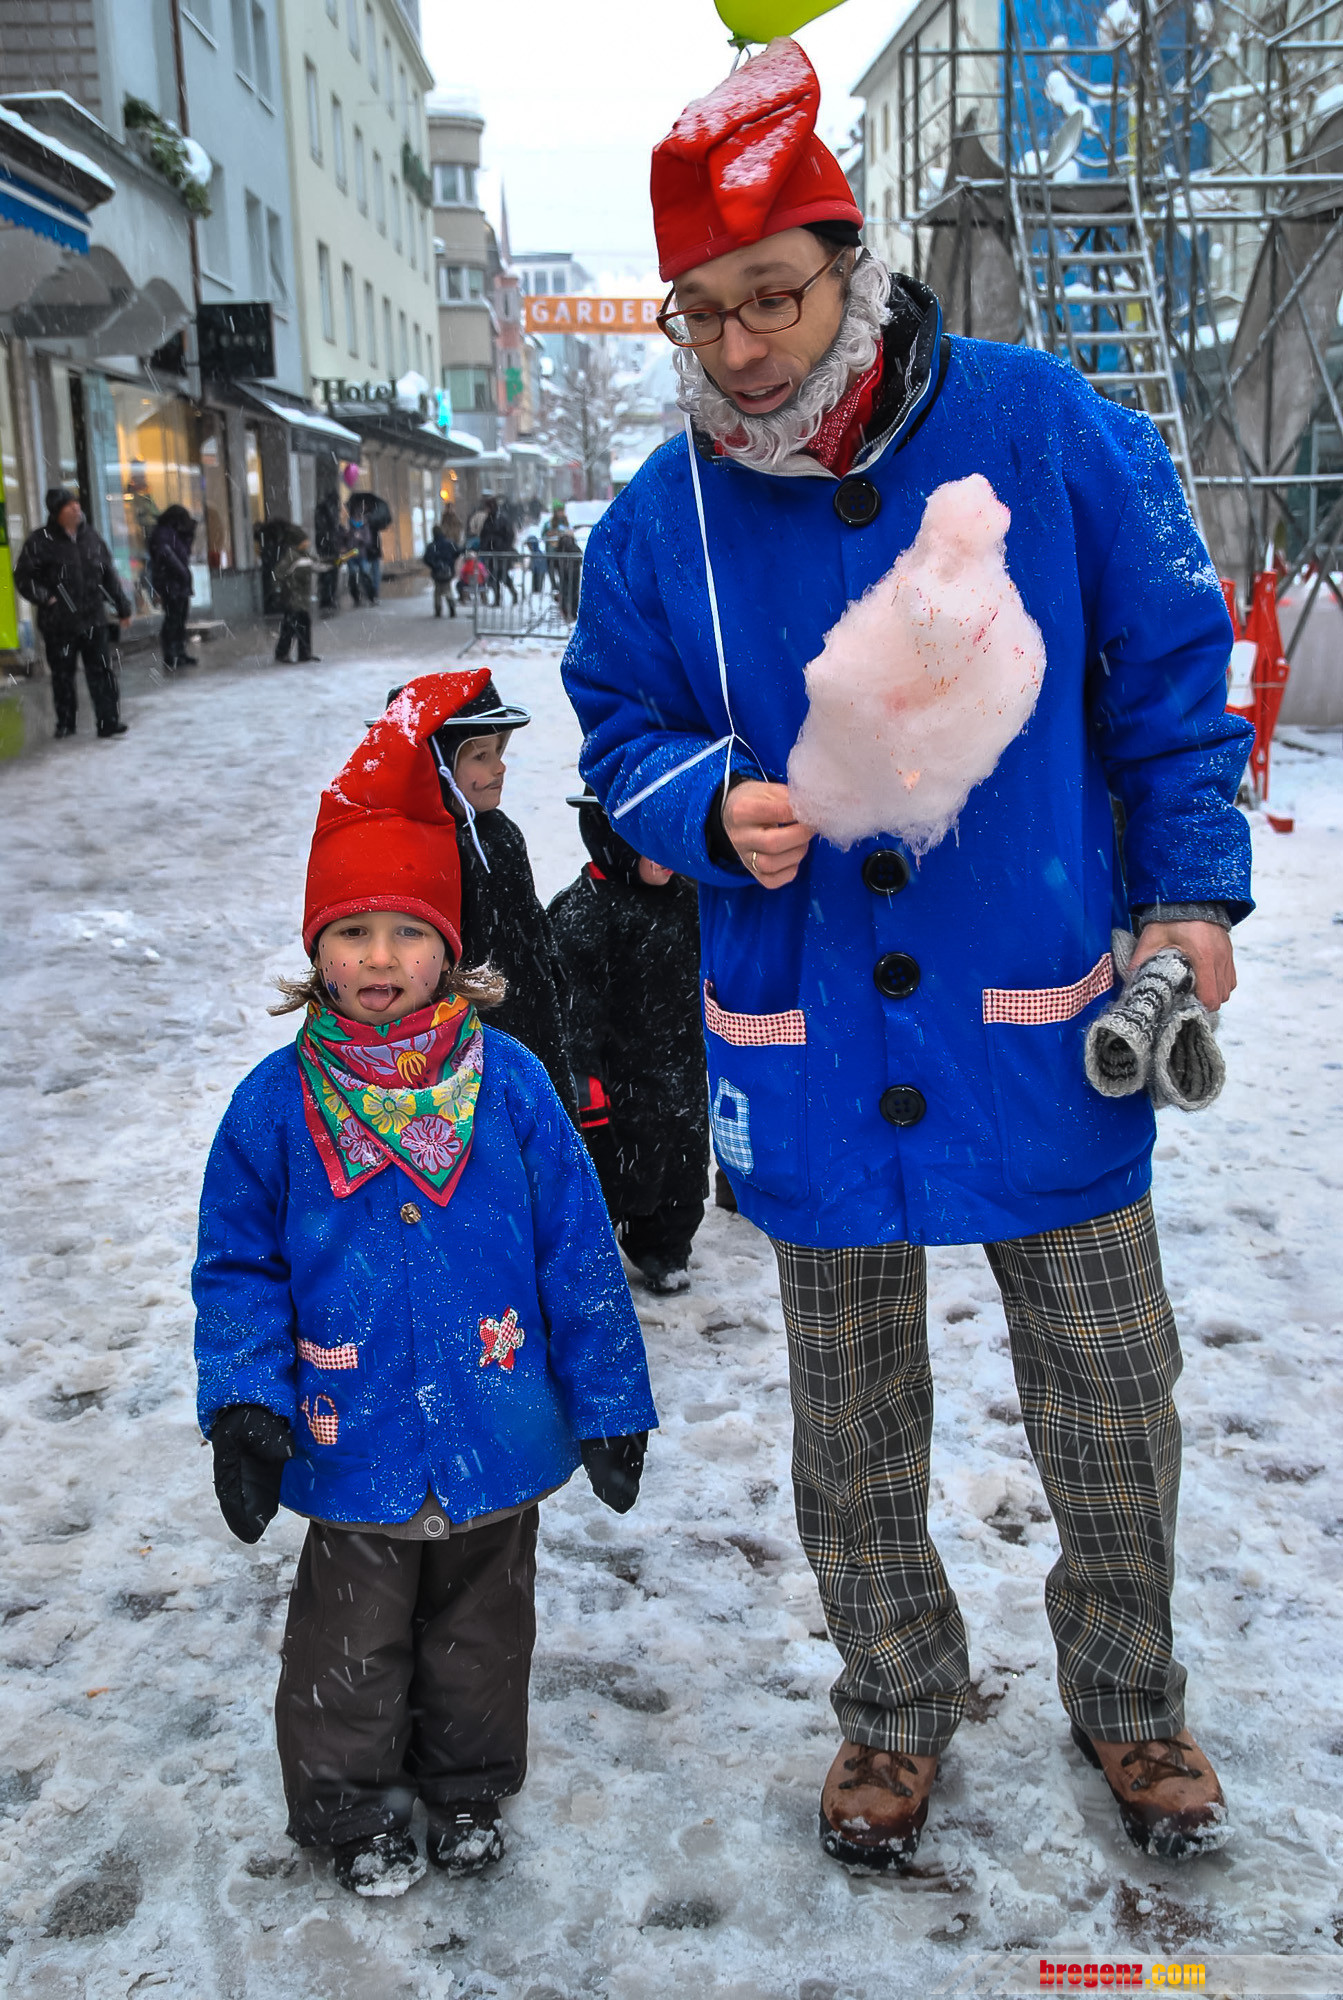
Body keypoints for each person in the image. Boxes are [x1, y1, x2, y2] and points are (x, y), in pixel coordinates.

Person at [562, 40, 1253, 1872]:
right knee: (850, 1422)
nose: (736, 348)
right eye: (698, 312)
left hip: (1039, 1014)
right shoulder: (661, 519)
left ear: (848, 265)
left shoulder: (1041, 428)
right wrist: (703, 805)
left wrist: (1187, 896)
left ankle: (1128, 1690)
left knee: (1109, 1391)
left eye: (770, 297)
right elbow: (614, 726)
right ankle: (888, 1705)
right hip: (805, 1032)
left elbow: (1171, 674)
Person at [193, 677, 657, 1898]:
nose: (378, 959)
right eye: (350, 933)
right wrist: (243, 1402)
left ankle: (467, 1785)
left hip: (498, 1421)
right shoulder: (272, 1108)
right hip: (352, 1431)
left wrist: (611, 1401)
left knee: (481, 1634)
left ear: (449, 945)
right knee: (347, 1644)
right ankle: (347, 1805)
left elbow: (576, 1253)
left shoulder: (512, 1086)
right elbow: (238, 1267)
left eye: (405, 932)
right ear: (315, 951)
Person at [549, 789, 709, 1295]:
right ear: (610, 836)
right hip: (623, 1077)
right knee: (626, 1169)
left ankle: (670, 1244)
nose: (662, 853)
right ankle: (617, 1241)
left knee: (684, 1161)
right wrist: (585, 1082)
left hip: (682, 1064)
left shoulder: (685, 897)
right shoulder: (585, 914)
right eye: (644, 840)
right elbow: (575, 1013)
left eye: (668, 836)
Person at [419, 671, 580, 1125]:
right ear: (436, 763)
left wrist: (551, 979)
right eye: (481, 756)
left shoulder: (500, 832)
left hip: (531, 1022)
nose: (499, 768)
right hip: (470, 1042)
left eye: (499, 752)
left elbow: (528, 924)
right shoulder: (433, 850)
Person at [14, 486, 132, 739]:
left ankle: (108, 721)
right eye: (69, 505)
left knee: (101, 671)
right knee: (63, 675)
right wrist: (46, 597)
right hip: (59, 623)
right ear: (57, 512)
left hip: (93, 618)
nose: (76, 508)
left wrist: (122, 606)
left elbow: (108, 575)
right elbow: (23, 577)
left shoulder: (91, 537)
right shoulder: (40, 541)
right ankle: (66, 722)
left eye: (76, 503)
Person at [147, 504, 198, 668]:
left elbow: (185, 552)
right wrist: (182, 572)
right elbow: (165, 555)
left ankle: (179, 652)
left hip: (178, 582)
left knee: (180, 619)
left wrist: (189, 533)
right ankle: (172, 654)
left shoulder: (174, 534)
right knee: (173, 620)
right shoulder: (163, 533)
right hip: (171, 582)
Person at [272, 522, 321, 663]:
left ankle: (303, 653)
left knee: (300, 624)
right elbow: (278, 574)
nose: (308, 542)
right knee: (291, 626)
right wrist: (281, 588)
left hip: (301, 599)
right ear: (298, 542)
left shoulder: (304, 555)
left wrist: (336, 561)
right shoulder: (291, 557)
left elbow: (318, 564)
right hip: (293, 598)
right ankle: (283, 653)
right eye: (305, 540)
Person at [478, 497, 518, 606]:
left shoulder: (501, 519)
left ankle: (513, 593)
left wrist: (503, 547)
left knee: (502, 575)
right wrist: (485, 546)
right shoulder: (488, 520)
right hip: (491, 553)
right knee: (494, 576)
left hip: (501, 553)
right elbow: (484, 535)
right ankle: (497, 599)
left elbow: (509, 535)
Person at [423, 515, 460, 618]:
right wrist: (451, 562)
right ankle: (451, 607)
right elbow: (457, 552)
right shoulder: (450, 543)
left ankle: (438, 610)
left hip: (437, 571)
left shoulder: (432, 546)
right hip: (448, 570)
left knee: (438, 591)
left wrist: (434, 565)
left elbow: (426, 559)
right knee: (447, 589)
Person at [313, 494, 343, 614]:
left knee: (325, 574)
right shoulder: (330, 510)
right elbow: (332, 527)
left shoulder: (320, 511)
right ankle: (329, 598)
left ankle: (326, 598)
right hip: (329, 548)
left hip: (324, 548)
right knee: (331, 574)